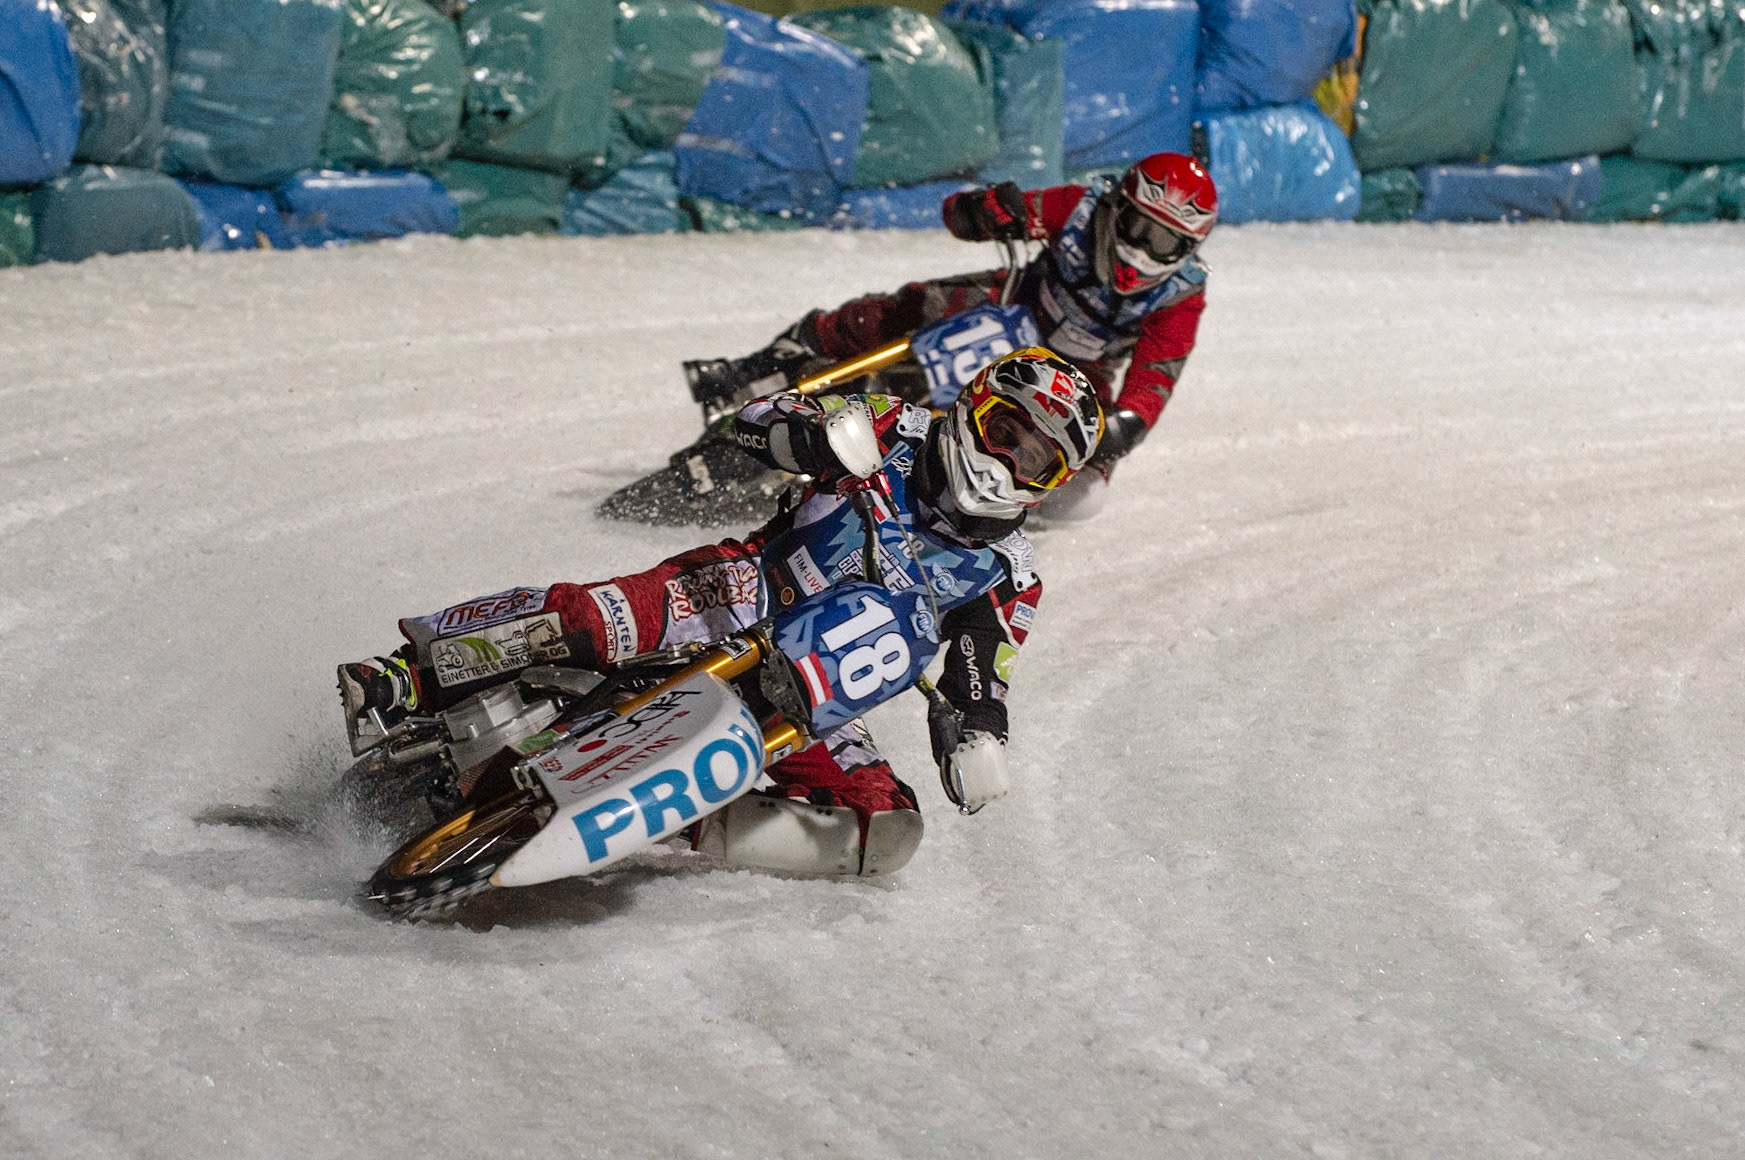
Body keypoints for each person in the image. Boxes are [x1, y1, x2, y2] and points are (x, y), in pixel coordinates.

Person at [339, 349, 1104, 877]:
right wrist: (806, 434)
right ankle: (410, 673)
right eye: (1006, 433)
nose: (1007, 461)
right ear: (976, 406)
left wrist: (975, 733)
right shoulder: (892, 426)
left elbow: (983, 671)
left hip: (814, 694)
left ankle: (664, 818)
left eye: (1034, 459)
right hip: (739, 591)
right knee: (593, 620)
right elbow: (758, 417)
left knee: (884, 830)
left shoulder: (1010, 572)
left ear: (1052, 480)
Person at [685, 152, 1216, 520]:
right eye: (1142, 227)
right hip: (1012, 303)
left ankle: (983, 506)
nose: (1146, 249)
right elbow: (960, 218)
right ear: (1118, 207)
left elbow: (1157, 374)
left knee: (1081, 495)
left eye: (1167, 241)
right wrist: (986, 209)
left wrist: (1124, 426)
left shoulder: (1182, 294)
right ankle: (762, 366)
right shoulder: (1079, 205)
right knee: (903, 310)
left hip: (1078, 374)